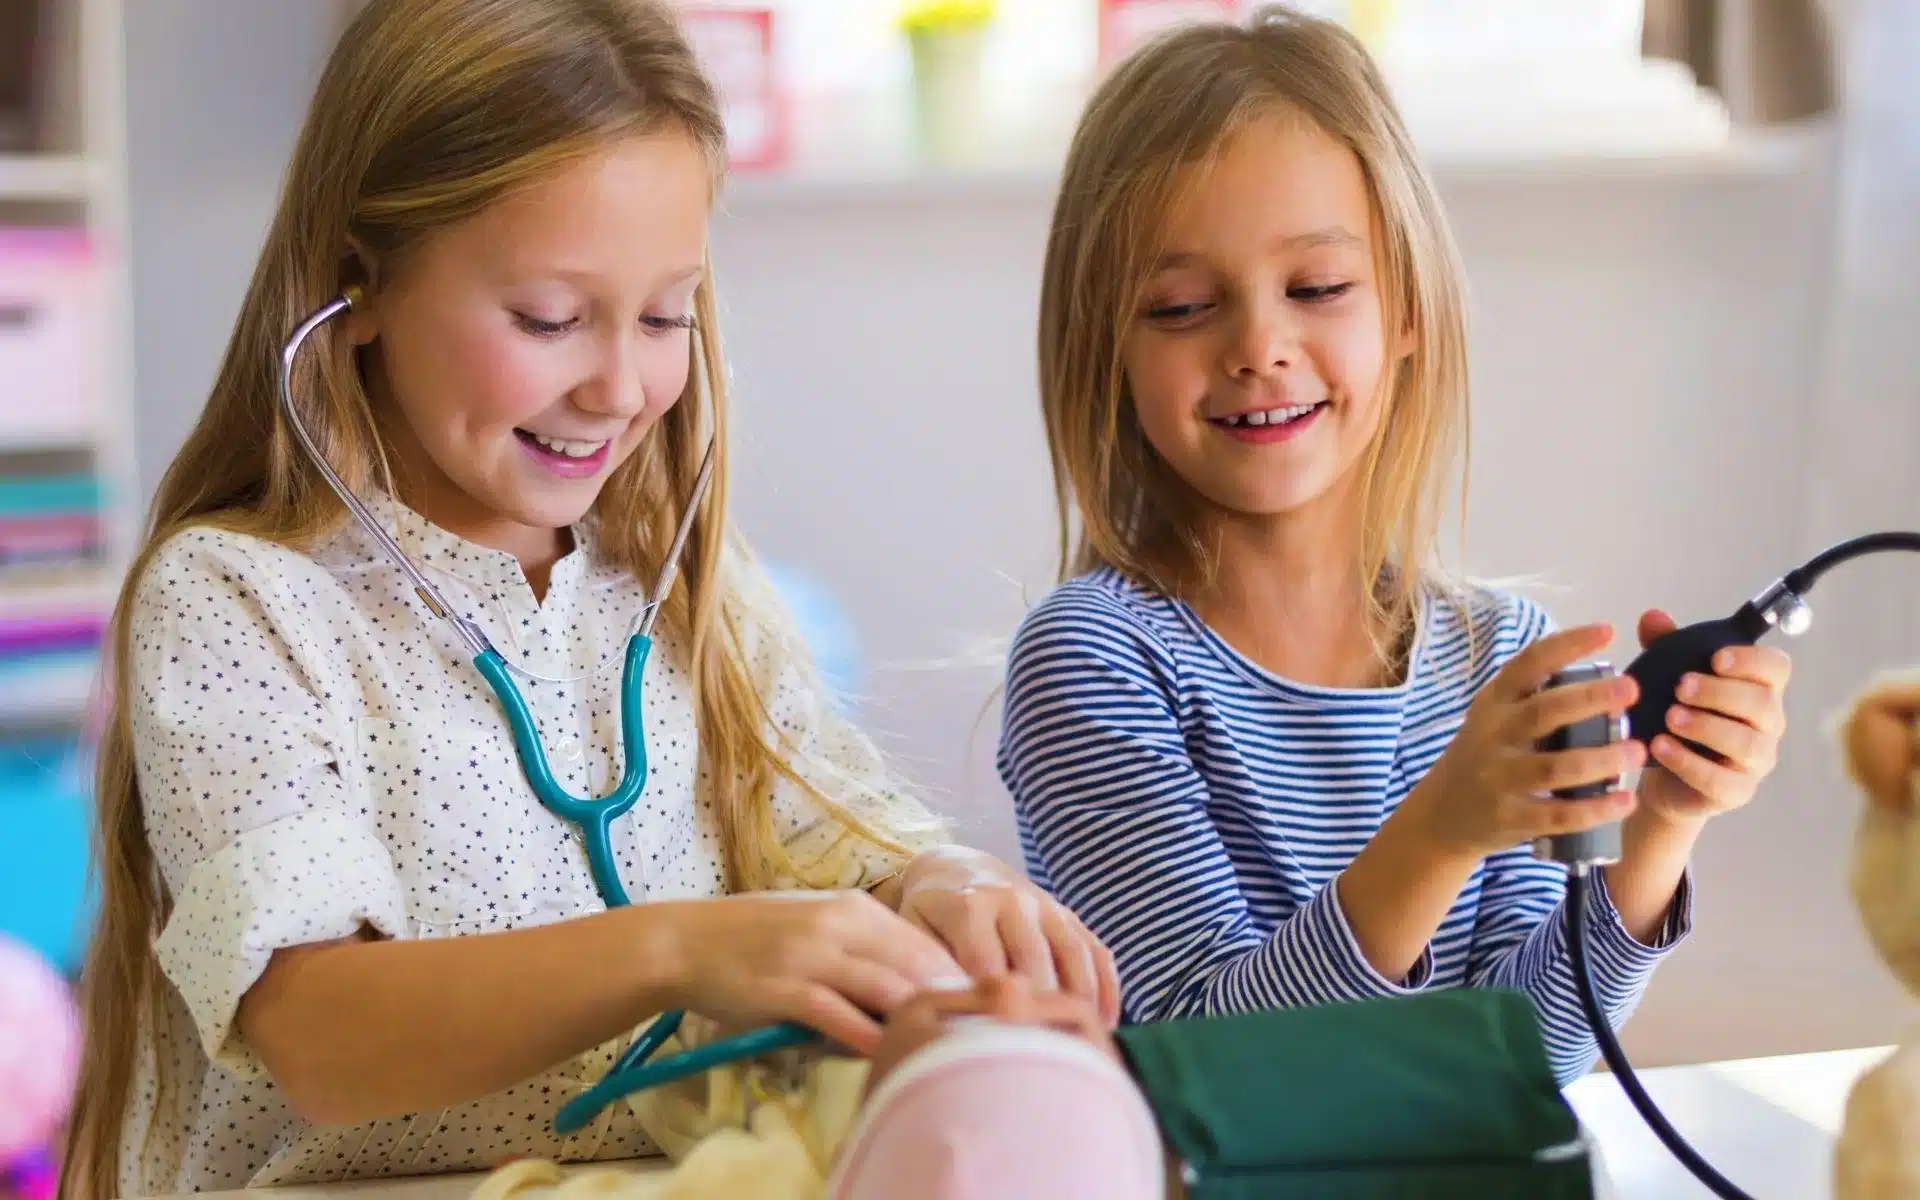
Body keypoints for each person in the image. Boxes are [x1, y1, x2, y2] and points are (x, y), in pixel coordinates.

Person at [58, 3, 1114, 1197]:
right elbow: (317, 1036)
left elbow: (838, 843)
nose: (619, 386)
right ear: (361, 279)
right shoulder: (241, 603)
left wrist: (945, 889)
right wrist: (678, 949)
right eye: (550, 320)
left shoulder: (680, 586)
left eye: (664, 316)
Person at [996, 6, 1793, 1086]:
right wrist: (1439, 834)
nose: (1259, 346)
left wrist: (1657, 827)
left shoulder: (1501, 657)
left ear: (1408, 309)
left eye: (1318, 289)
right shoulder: (1093, 662)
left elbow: (1525, 1057)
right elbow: (1209, 1067)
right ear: (1106, 349)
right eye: (1180, 307)